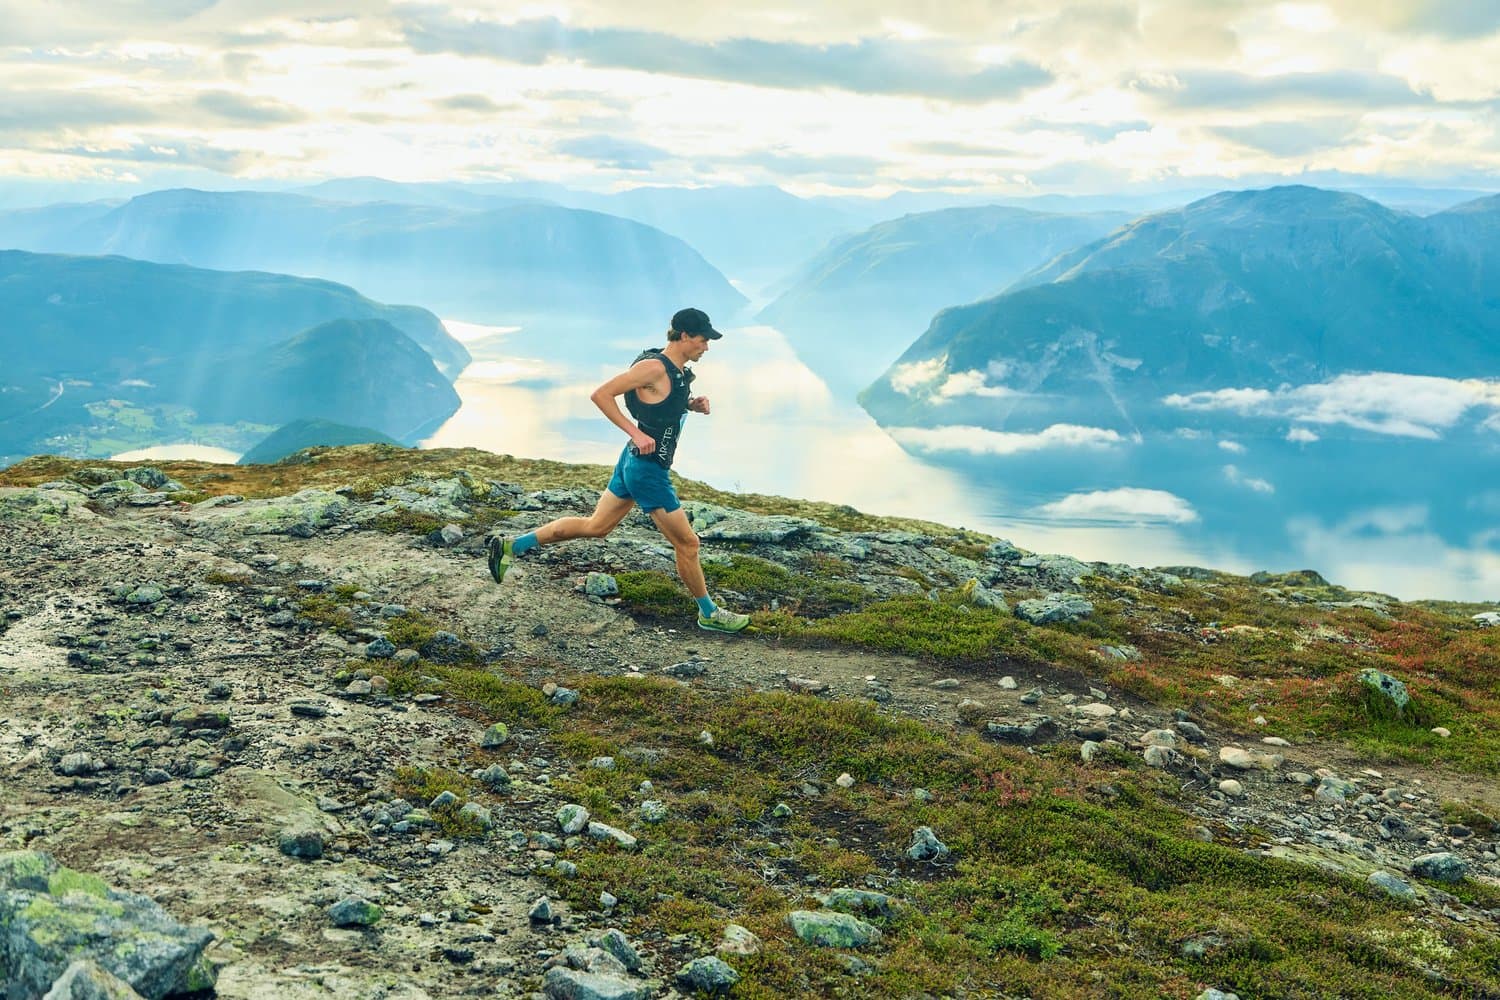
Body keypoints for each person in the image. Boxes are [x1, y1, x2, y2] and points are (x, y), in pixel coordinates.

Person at [487, 307, 752, 634]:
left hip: (631, 463)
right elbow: (601, 394)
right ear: (684, 336)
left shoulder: (670, 369)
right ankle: (708, 613)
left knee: (597, 526)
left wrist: (690, 405)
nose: (706, 347)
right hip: (647, 470)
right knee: (688, 544)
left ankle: (512, 546)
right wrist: (636, 433)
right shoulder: (654, 367)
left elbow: (656, 403)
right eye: (702, 340)